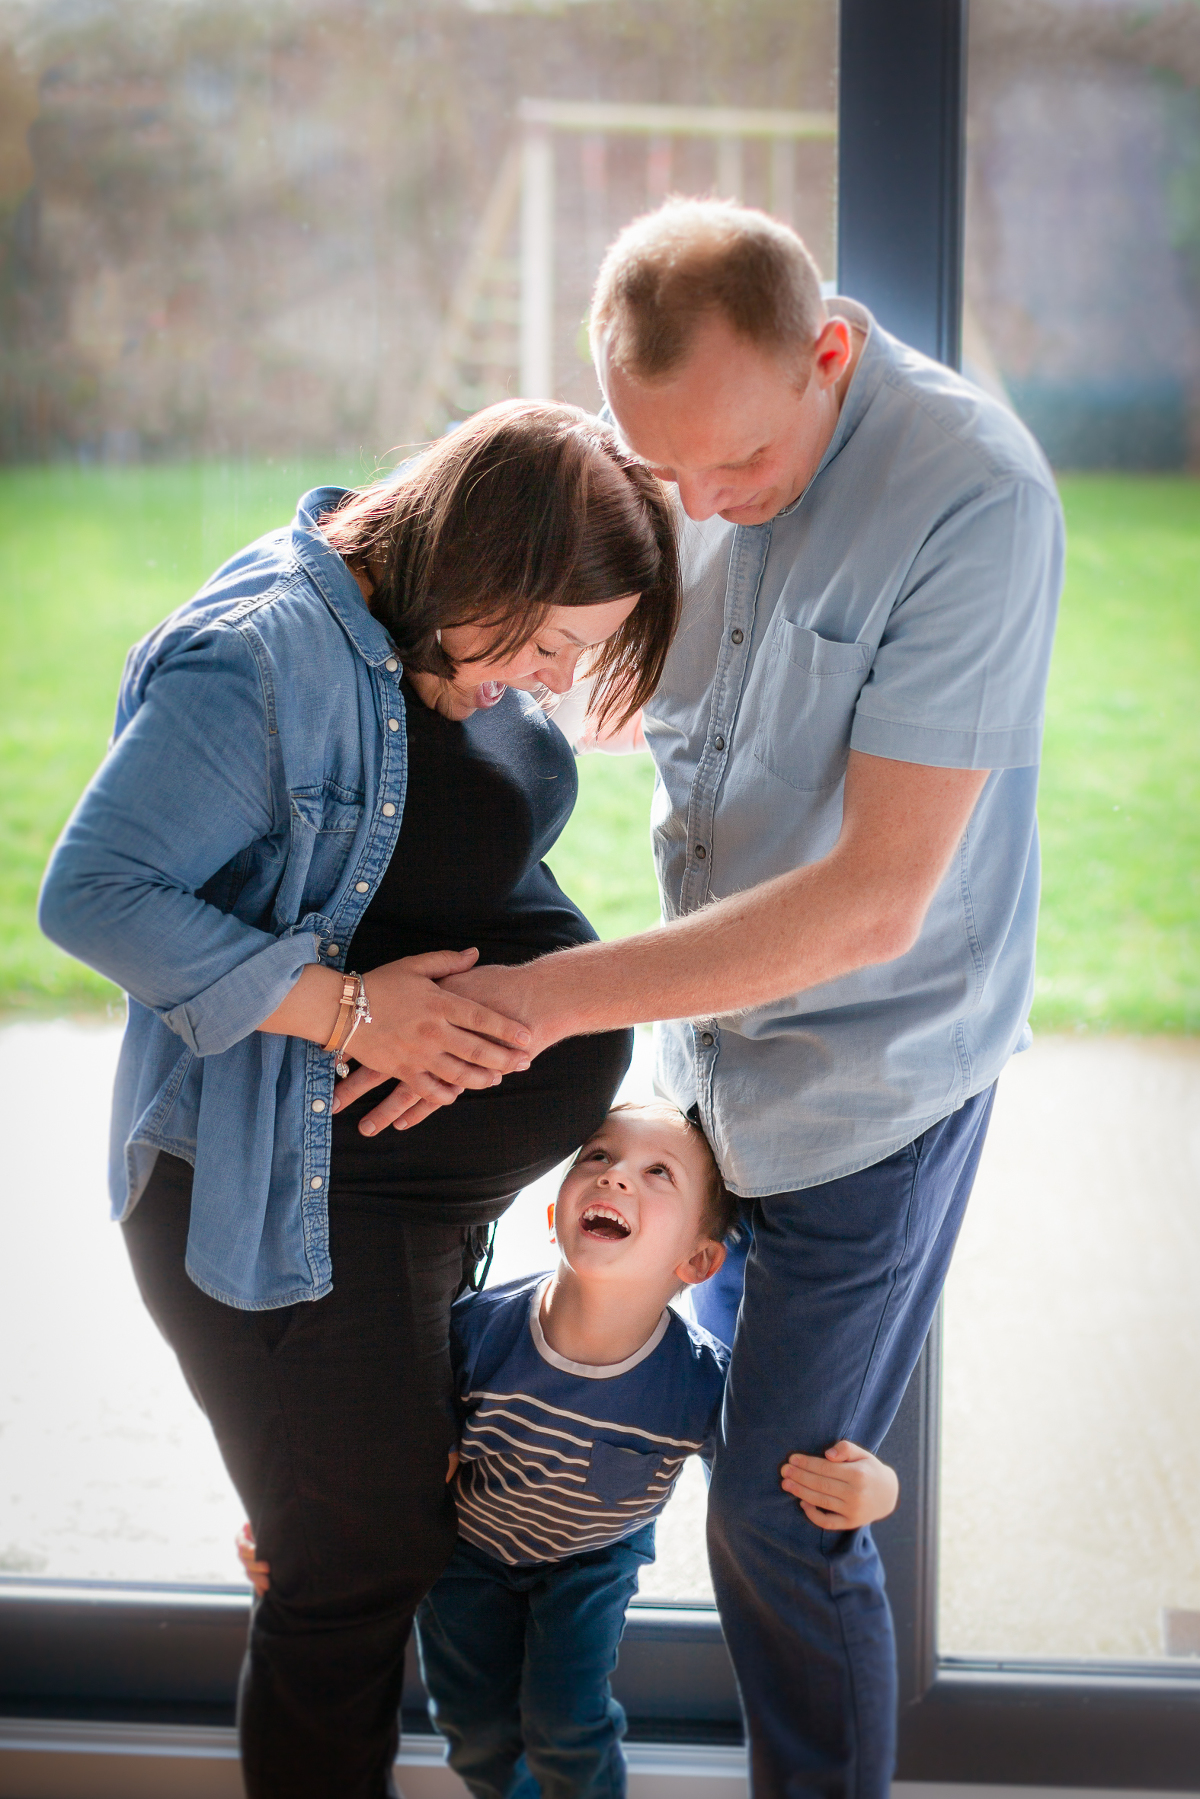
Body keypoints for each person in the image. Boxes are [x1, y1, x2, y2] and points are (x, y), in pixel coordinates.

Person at [337, 200, 1065, 1796]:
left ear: (828, 352)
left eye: (735, 472)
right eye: (666, 472)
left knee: (779, 1510)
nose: (701, 507)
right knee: (762, 1457)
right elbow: (604, 685)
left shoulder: (975, 497)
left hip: (879, 1086)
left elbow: (877, 900)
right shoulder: (684, 454)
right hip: (720, 1077)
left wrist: (540, 1000)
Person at [36, 401, 683, 1799]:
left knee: (375, 1538)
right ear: (485, 557)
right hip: (273, 1195)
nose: (545, 678)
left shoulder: (426, 630)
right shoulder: (258, 658)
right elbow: (91, 895)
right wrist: (353, 1006)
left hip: (394, 1202)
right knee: (356, 1566)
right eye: (545, 642)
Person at [237, 1101, 899, 1799]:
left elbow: (771, 1474)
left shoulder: (701, 1381)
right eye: (598, 1156)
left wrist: (877, 1489)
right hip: (466, 1557)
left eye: (656, 1173)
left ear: (699, 1261)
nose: (615, 1178)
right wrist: (296, 1527)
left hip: (590, 1564)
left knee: (565, 1724)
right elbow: (367, 1440)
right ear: (554, 1215)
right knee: (477, 1728)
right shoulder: (476, 1335)